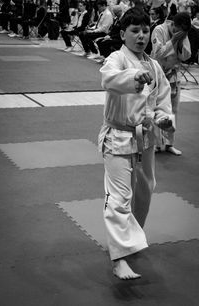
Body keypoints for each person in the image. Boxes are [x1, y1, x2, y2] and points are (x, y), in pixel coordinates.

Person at [98, 7, 175, 280]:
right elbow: (108, 79)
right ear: (123, 34)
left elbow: (161, 99)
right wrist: (133, 78)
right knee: (119, 197)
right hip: (118, 136)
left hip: (146, 138)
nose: (142, 36)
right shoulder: (116, 59)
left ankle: (133, 238)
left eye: (145, 31)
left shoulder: (154, 66)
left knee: (145, 190)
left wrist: (165, 118)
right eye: (135, 31)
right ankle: (118, 257)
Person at [151, 12, 192, 155]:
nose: (178, 32)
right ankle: (156, 144)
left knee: (173, 110)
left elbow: (187, 56)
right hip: (158, 74)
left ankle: (169, 144)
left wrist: (180, 41)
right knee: (156, 109)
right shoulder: (159, 30)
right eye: (176, 29)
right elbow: (157, 54)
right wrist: (173, 40)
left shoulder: (183, 33)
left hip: (174, 75)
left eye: (182, 31)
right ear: (172, 24)